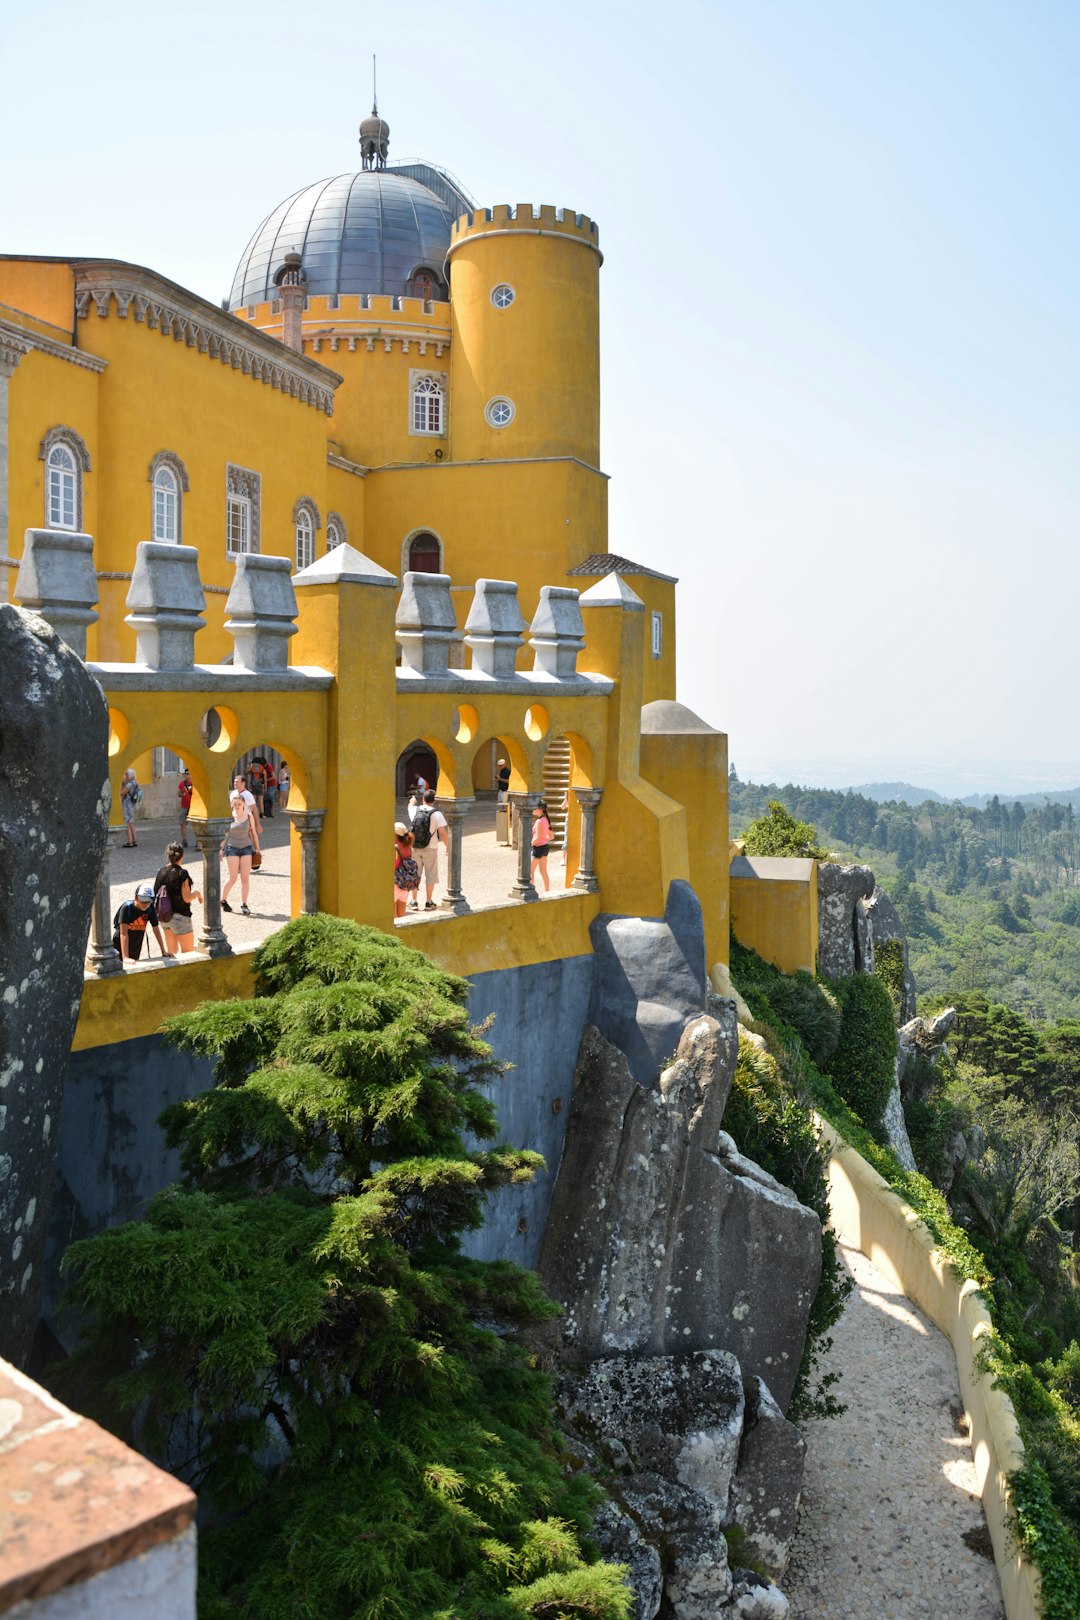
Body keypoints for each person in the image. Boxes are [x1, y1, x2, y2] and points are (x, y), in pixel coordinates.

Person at [153, 841, 203, 956]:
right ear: (183, 855)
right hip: (180, 918)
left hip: (164, 917)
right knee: (188, 954)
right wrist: (197, 893)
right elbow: (186, 898)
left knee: (172, 954)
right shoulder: (182, 873)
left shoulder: (161, 872)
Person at [221, 775, 261, 916]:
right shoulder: (229, 817)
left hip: (246, 848)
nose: (237, 806)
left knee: (245, 878)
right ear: (232, 804)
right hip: (231, 848)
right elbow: (225, 834)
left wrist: (258, 849)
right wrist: (221, 849)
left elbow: (254, 833)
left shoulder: (249, 817)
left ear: (243, 804)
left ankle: (244, 904)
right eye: (235, 804)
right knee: (232, 877)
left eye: (239, 804)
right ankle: (223, 899)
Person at [408, 787, 448, 911]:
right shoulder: (437, 814)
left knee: (416, 874)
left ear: (423, 799)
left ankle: (414, 901)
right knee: (430, 875)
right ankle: (429, 901)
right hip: (431, 847)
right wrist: (448, 845)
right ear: (434, 801)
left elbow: (410, 804)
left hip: (415, 847)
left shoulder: (414, 810)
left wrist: (413, 800)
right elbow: (442, 833)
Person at [112, 880, 166, 964]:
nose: (145, 904)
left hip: (136, 944)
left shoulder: (150, 908)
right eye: (142, 901)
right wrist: (125, 957)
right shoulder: (127, 908)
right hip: (120, 945)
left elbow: (156, 928)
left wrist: (163, 951)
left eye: (148, 902)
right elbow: (123, 933)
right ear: (136, 898)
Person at [393, 822, 421, 919]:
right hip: (405, 885)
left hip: (395, 884)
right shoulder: (408, 847)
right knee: (402, 916)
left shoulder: (395, 848)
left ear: (395, 835)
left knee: (394, 918)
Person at [531, 799, 552, 894]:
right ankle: (547, 891)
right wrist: (544, 839)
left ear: (541, 809)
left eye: (536, 808)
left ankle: (531, 891)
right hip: (545, 847)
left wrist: (530, 844)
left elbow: (538, 838)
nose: (534, 809)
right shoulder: (546, 819)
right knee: (543, 871)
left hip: (538, 848)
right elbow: (551, 836)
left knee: (530, 872)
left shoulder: (539, 821)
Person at [120, 768, 139, 847]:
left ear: (130, 775)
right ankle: (134, 841)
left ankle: (130, 842)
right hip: (131, 805)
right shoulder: (135, 783)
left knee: (126, 823)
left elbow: (122, 793)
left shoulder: (129, 784)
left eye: (126, 774)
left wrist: (122, 785)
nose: (125, 776)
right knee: (131, 823)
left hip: (127, 805)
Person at [177, 768, 193, 848]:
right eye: (186, 773)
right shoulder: (182, 783)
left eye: (188, 773)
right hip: (184, 806)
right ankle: (184, 840)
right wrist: (180, 794)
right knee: (183, 824)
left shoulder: (196, 783)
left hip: (194, 807)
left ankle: (198, 842)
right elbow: (178, 794)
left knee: (196, 825)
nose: (187, 775)